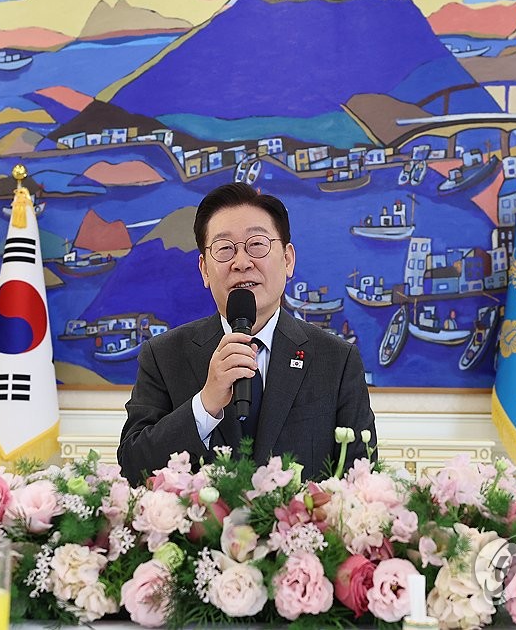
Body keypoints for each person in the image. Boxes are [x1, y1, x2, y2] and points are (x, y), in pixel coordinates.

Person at [118, 183, 376, 486]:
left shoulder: (336, 360)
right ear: (204, 269)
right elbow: (133, 467)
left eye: (256, 244)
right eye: (225, 249)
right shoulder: (163, 355)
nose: (241, 263)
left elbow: (362, 481)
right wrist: (205, 403)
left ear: (288, 259)